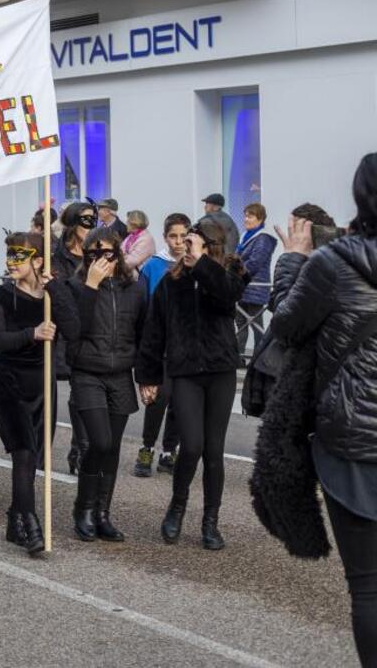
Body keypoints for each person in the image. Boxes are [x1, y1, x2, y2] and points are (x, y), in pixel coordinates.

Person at [268, 154, 377, 666]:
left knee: (369, 586)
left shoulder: (332, 264)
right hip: (351, 438)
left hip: (351, 440)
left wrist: (292, 258)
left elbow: (287, 326)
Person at [138, 219, 248, 550]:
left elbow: (227, 297)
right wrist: (149, 377)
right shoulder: (172, 284)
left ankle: (210, 522)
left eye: (192, 244)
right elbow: (154, 330)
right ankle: (177, 506)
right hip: (185, 372)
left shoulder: (227, 275)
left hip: (220, 372)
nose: (184, 249)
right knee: (192, 445)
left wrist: (202, 264)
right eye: (184, 244)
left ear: (210, 247)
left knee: (214, 451)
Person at [0, 232, 78, 556]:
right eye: (9, 255)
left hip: (42, 384)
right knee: (24, 454)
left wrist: (56, 291)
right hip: (9, 383)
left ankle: (14, 518)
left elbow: (74, 329)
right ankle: (30, 523)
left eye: (19, 256)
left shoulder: (52, 294)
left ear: (38, 260)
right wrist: (32, 333)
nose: (11, 262)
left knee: (36, 456)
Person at [66, 228, 147, 543]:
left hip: (120, 373)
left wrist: (146, 377)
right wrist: (91, 287)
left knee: (112, 447)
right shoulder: (77, 286)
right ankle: (83, 508)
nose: (101, 260)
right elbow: (75, 331)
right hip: (87, 371)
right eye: (93, 254)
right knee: (98, 442)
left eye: (108, 253)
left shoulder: (135, 288)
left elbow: (144, 333)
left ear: (119, 253)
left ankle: (102, 513)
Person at [133, 213, 190, 478]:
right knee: (159, 399)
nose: (178, 242)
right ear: (165, 237)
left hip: (187, 349)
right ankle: (146, 448)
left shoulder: (195, 264)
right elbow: (142, 308)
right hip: (160, 346)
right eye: (173, 236)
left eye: (183, 236)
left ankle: (169, 451)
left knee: (181, 401)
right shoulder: (153, 267)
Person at [56, 202, 96, 475]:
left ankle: (80, 448)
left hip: (93, 328)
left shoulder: (98, 253)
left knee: (84, 391)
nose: (91, 226)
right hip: (64, 331)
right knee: (75, 390)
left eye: (94, 220)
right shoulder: (57, 257)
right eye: (85, 221)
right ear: (72, 223)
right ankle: (80, 448)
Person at [236, 202, 278, 357]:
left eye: (250, 216)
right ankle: (238, 357)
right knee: (241, 323)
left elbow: (255, 262)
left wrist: (235, 272)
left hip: (255, 286)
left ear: (260, 219)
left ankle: (260, 357)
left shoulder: (263, 238)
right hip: (243, 286)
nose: (246, 219)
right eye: (245, 215)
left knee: (255, 324)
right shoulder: (246, 236)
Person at [121, 210, 155, 276]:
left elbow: (131, 262)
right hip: (128, 275)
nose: (126, 223)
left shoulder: (146, 239)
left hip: (140, 278)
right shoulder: (131, 236)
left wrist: (120, 259)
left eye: (128, 221)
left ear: (134, 223)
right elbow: (119, 252)